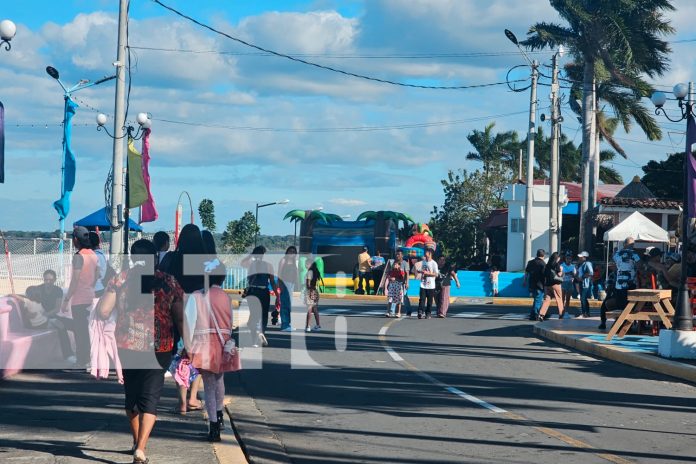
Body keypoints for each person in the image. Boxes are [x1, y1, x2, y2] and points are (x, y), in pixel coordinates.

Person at [97, 239, 184, 464]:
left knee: (132, 396)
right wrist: (190, 346)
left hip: (128, 345)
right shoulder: (169, 282)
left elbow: (104, 311)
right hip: (160, 346)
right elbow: (180, 318)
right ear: (155, 257)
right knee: (151, 397)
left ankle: (136, 441)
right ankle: (141, 449)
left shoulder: (121, 279)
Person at [187, 260, 240, 442]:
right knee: (219, 380)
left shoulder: (196, 296)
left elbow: (189, 322)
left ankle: (213, 426)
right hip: (223, 344)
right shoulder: (225, 297)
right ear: (223, 277)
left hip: (203, 343)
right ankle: (219, 414)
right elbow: (231, 323)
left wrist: (186, 347)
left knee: (208, 386)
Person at [158, 224, 205, 413]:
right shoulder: (205, 261)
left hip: (176, 308)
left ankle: (182, 401)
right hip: (200, 311)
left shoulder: (172, 258)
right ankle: (193, 397)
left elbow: (161, 277)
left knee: (179, 354)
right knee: (199, 354)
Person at [56, 226, 98, 368]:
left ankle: (82, 361)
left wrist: (66, 299)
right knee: (86, 330)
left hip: (79, 299)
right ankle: (88, 359)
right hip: (90, 297)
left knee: (80, 332)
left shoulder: (78, 256)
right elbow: (97, 275)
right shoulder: (93, 254)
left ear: (75, 239)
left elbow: (74, 280)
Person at [11, 270, 74, 362]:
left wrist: (45, 315)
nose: (48, 282)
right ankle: (68, 355)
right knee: (61, 327)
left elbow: (56, 309)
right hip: (42, 319)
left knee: (75, 325)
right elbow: (28, 298)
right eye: (46, 280)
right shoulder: (39, 288)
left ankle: (83, 352)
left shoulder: (58, 290)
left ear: (55, 280)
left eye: (50, 280)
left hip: (50, 315)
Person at [241, 246, 278, 347]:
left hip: (252, 291)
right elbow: (272, 282)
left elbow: (242, 263)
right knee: (264, 315)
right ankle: (262, 333)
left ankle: (254, 339)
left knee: (254, 315)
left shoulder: (250, 264)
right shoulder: (268, 266)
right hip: (263, 291)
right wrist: (278, 295)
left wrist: (251, 255)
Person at [599, 237, 640, 330]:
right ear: (627, 244)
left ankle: (620, 325)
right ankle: (624, 326)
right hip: (630, 284)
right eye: (631, 244)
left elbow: (613, 265)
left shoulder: (616, 254)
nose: (632, 246)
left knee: (620, 305)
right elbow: (640, 265)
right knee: (628, 305)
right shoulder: (634, 254)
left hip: (619, 284)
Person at [537, 252, 565, 320]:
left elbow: (544, 274)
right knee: (559, 299)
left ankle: (541, 314)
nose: (559, 259)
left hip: (547, 285)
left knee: (546, 300)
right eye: (559, 258)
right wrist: (562, 270)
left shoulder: (547, 265)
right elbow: (559, 275)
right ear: (557, 258)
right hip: (555, 284)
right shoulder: (557, 265)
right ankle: (561, 314)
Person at [278, 246, 298, 332]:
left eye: (294, 252)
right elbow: (279, 273)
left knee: (289, 304)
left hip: (291, 284)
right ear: (287, 252)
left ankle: (288, 324)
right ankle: (284, 325)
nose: (292, 253)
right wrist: (280, 285)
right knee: (285, 304)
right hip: (285, 283)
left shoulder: (294, 262)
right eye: (290, 251)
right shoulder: (283, 260)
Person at [523, 249, 546, 321]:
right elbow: (545, 275)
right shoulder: (543, 264)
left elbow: (526, 273)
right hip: (539, 285)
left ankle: (533, 314)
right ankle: (535, 315)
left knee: (536, 299)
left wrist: (525, 281)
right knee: (538, 300)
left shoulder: (530, 262)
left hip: (531, 284)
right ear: (543, 255)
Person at [417, 248, 439, 319]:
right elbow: (423, 270)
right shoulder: (423, 262)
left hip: (431, 285)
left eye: (426, 252)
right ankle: (420, 312)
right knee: (422, 299)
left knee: (429, 301)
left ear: (430, 253)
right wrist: (420, 271)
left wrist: (428, 273)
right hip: (423, 283)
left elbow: (436, 274)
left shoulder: (434, 263)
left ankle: (428, 313)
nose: (425, 254)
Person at [304, 258, 322, 331]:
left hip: (310, 291)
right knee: (315, 309)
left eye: (306, 264)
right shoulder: (316, 272)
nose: (305, 265)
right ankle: (318, 325)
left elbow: (308, 284)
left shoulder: (309, 272)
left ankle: (308, 326)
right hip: (316, 291)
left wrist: (309, 291)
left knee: (309, 309)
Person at [576, 251, 594, 318]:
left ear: (584, 257)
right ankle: (586, 313)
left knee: (583, 298)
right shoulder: (581, 264)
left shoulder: (587, 263)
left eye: (581, 257)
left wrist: (582, 277)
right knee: (583, 298)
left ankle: (585, 313)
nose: (579, 258)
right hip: (581, 282)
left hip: (585, 283)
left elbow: (591, 272)